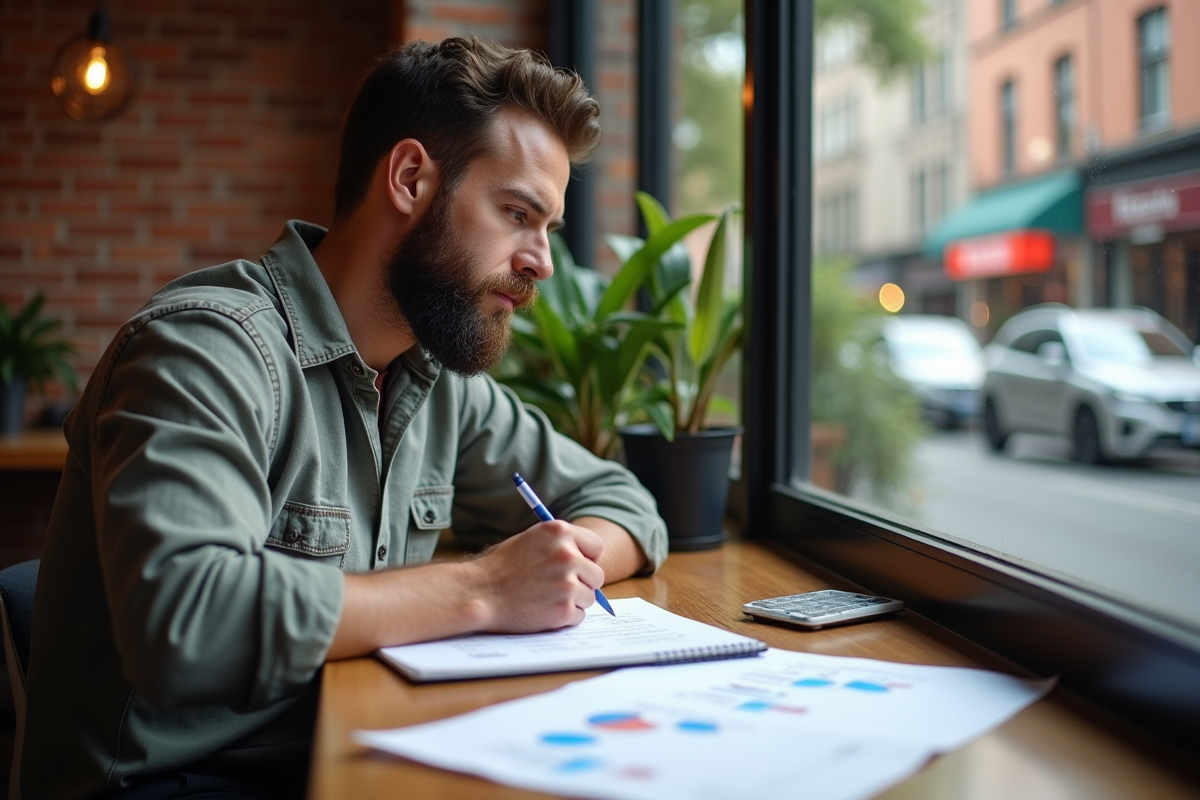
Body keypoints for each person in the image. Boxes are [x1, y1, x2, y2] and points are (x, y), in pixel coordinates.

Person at [22, 36, 667, 800]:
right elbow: (184, 623)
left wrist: (560, 565)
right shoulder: (204, 349)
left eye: (548, 228)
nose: (542, 262)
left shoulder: (435, 381)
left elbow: (627, 506)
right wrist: (486, 589)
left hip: (338, 746)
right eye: (517, 213)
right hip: (167, 783)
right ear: (410, 178)